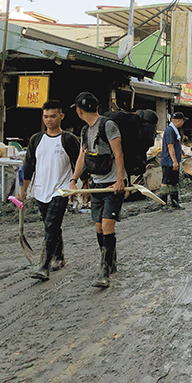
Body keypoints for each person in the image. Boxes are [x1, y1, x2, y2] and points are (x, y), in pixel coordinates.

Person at [19, 100, 80, 281]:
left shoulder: (68, 140)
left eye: (53, 116)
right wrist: (23, 191)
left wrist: (77, 186)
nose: (49, 120)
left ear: (61, 116)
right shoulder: (36, 139)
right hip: (40, 191)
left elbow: (79, 164)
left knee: (51, 226)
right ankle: (59, 256)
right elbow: (29, 166)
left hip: (60, 191)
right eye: (46, 116)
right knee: (50, 225)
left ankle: (44, 266)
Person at [69, 92, 125, 289]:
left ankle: (104, 271)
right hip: (97, 185)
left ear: (79, 111)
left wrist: (119, 180)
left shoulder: (108, 126)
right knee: (99, 227)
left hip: (112, 184)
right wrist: (74, 179)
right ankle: (111, 259)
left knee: (108, 226)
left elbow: (118, 154)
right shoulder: (85, 131)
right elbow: (81, 158)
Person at [160, 111, 186, 210]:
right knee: (166, 182)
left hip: (173, 160)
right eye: (182, 120)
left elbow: (175, 145)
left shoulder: (174, 130)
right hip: (168, 161)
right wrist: (174, 161)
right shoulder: (170, 131)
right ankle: (163, 203)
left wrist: (181, 150)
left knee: (174, 182)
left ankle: (175, 203)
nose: (183, 123)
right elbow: (170, 146)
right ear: (178, 121)